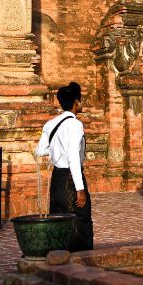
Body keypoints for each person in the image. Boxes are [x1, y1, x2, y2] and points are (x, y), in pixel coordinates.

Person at [36, 82, 93, 251]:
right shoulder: (75, 124)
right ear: (76, 102)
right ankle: (80, 259)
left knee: (59, 221)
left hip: (57, 179)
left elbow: (39, 151)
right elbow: (73, 157)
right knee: (80, 220)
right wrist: (80, 188)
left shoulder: (51, 123)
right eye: (80, 100)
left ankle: (59, 256)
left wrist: (56, 152)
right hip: (71, 180)